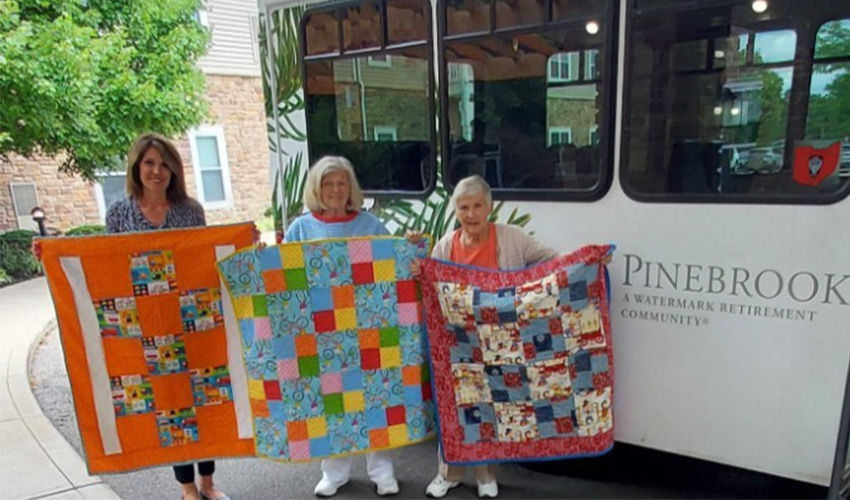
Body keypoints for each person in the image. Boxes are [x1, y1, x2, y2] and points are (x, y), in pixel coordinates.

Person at [31, 133, 235, 500]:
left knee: (204, 397)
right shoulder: (119, 213)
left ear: (174, 170)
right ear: (137, 167)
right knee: (168, 402)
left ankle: (208, 481)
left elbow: (203, 260)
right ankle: (187, 486)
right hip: (145, 324)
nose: (157, 171)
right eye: (149, 163)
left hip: (192, 319)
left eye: (164, 164)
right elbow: (108, 266)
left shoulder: (190, 211)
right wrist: (50, 253)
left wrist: (242, 246)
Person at [409, 174, 557, 499]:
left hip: (500, 340)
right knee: (454, 406)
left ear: (489, 208)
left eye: (477, 206)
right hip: (457, 340)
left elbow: (553, 260)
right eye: (464, 207)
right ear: (456, 210)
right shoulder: (446, 245)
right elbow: (430, 287)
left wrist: (588, 261)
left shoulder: (512, 238)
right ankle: (448, 473)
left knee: (494, 406)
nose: (471, 214)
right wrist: (420, 271)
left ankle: (486, 475)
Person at [283, 155, 402, 498]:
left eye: (341, 182)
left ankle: (382, 470)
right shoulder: (302, 228)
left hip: (368, 326)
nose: (335, 190)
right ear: (316, 188)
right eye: (328, 183)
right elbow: (282, 276)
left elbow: (394, 263)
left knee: (375, 396)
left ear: (350, 187)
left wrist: (413, 248)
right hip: (323, 330)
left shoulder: (370, 225)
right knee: (333, 400)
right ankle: (334, 472)